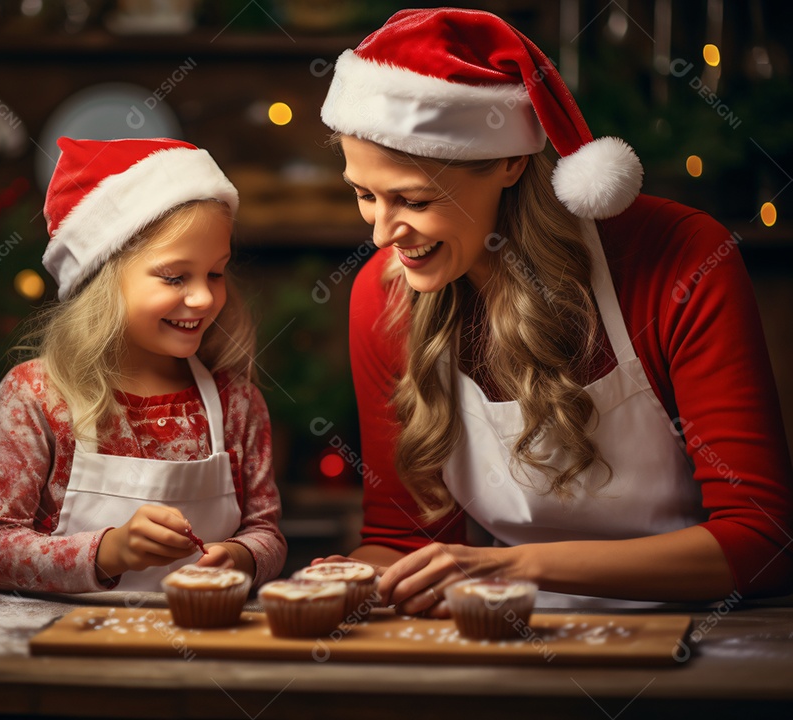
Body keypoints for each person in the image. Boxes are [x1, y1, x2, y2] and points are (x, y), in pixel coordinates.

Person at [318, 8, 793, 612]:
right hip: (513, 628)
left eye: (413, 199)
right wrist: (352, 579)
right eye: (363, 194)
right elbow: (406, 539)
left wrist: (514, 565)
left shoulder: (674, 259)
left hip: (704, 632)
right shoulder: (384, 293)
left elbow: (762, 543)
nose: (383, 233)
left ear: (511, 163)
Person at [0, 137, 286, 593]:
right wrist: (108, 552)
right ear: (101, 280)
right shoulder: (37, 395)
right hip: (71, 648)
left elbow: (266, 534)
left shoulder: (236, 401)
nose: (202, 298)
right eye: (175, 277)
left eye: (215, 273)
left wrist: (241, 557)